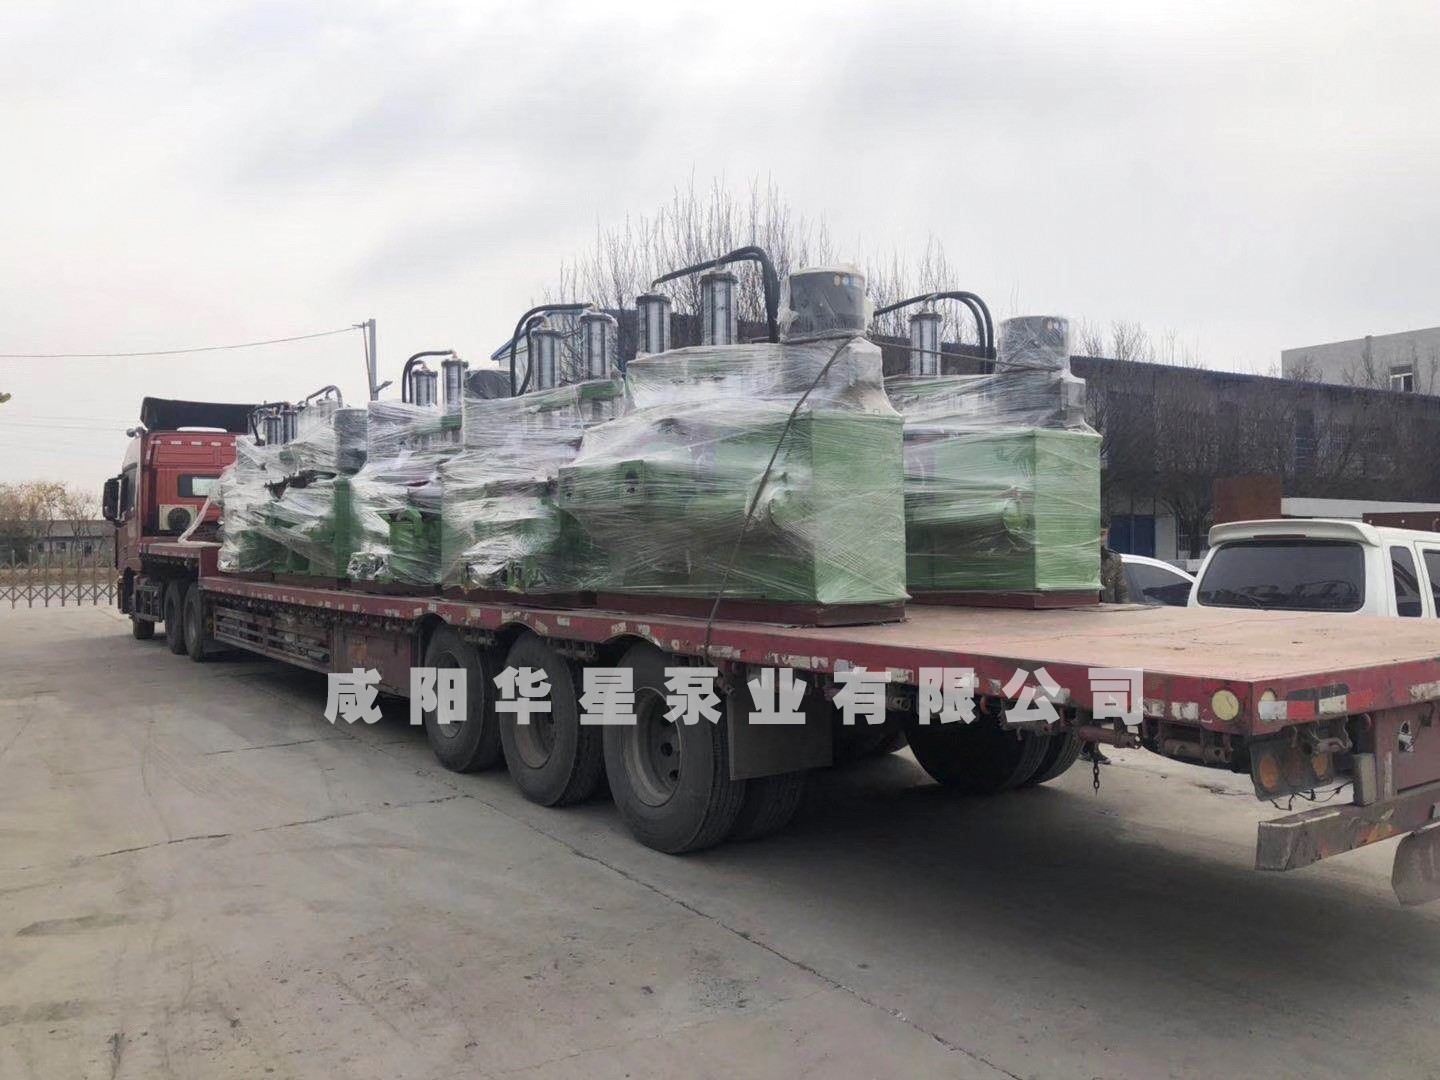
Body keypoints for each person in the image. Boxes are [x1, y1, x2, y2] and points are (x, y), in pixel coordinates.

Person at [1084, 516, 1130, 766]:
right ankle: (1087, 744)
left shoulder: (1113, 560)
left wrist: (1124, 624)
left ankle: (1094, 744)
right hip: (1083, 631)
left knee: (1103, 691)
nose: (1102, 537)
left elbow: (1122, 594)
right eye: (1099, 532)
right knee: (1085, 690)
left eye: (1104, 533)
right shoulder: (1080, 558)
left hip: (1106, 631)